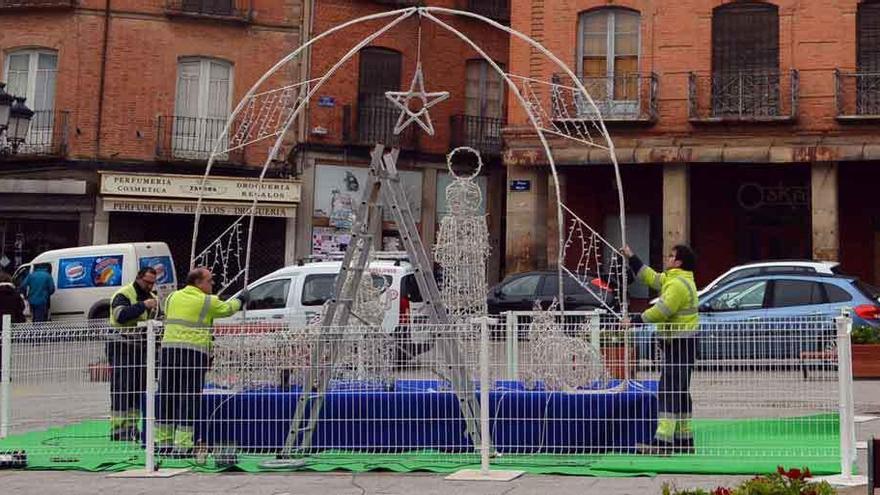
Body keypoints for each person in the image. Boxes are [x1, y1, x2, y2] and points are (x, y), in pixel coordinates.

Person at [156, 267, 248, 457]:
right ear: (198, 283)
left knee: (167, 396)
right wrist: (241, 299)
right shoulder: (208, 301)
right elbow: (227, 309)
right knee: (188, 398)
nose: (212, 284)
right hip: (193, 354)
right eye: (209, 280)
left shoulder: (172, 297)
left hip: (168, 353)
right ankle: (182, 446)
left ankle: (162, 443)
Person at [622, 244, 699, 456]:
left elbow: (661, 311)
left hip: (679, 344)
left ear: (679, 262)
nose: (667, 258)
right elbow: (652, 278)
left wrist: (636, 319)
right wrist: (632, 257)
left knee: (668, 390)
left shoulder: (677, 285)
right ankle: (685, 440)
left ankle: (662, 442)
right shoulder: (675, 279)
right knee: (680, 391)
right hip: (683, 343)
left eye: (671, 256)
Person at [107, 267, 159, 441]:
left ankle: (131, 427)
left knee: (138, 388)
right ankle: (118, 430)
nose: (150, 286)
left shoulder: (152, 297)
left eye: (152, 283)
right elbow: (120, 315)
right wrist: (142, 306)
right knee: (122, 387)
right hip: (121, 345)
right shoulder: (124, 294)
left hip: (141, 348)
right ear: (138, 278)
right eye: (147, 282)